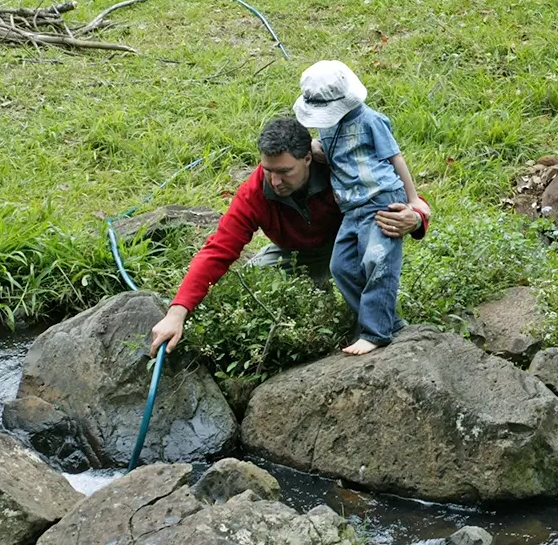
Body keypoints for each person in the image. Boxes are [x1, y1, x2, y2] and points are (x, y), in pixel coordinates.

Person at [148, 116, 429, 356]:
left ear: (308, 158)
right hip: (293, 255)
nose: (275, 181)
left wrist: (415, 219)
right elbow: (218, 249)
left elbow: (397, 196)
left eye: (285, 172)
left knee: (366, 261)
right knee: (250, 283)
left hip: (347, 247)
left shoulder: (341, 170)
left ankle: (378, 325)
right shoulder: (254, 193)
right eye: (268, 171)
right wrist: (177, 312)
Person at [294, 60, 421, 356]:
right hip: (350, 208)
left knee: (377, 262)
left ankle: (376, 332)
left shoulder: (371, 120)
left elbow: (396, 158)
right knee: (341, 267)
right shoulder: (327, 128)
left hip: (381, 201)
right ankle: (385, 320)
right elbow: (336, 155)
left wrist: (413, 201)